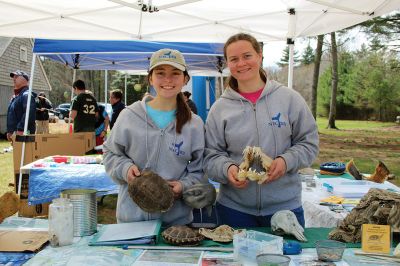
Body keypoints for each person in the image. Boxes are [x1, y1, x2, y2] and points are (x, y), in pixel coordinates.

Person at [204, 33, 319, 228]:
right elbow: (210, 155)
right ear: (228, 64)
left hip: (285, 208)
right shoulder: (220, 108)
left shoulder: (290, 99)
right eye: (234, 59)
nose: (241, 63)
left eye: (247, 56)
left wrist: (285, 161)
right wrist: (228, 169)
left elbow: (309, 143)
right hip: (233, 210)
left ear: (260, 56)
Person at [103, 48, 205, 226]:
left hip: (176, 223)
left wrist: (184, 186)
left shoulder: (194, 124)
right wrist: (125, 169)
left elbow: (200, 169)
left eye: (175, 73)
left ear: (185, 79)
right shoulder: (129, 116)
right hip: (131, 222)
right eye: (160, 73)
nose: (167, 79)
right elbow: (110, 154)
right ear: (150, 78)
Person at [7, 70, 36, 142]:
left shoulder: (27, 95)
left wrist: (20, 129)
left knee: (26, 153)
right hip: (16, 134)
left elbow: (29, 114)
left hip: (24, 134)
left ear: (24, 79)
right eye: (13, 77)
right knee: (18, 153)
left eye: (16, 77)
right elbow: (12, 115)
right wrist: (10, 131)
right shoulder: (16, 96)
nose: (14, 79)